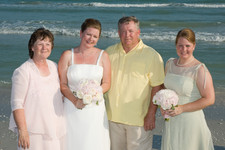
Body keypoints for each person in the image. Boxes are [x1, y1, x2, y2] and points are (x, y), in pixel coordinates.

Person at [104, 16, 165, 150]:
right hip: (112, 118)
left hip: (139, 120)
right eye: (123, 31)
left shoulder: (152, 55)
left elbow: (157, 86)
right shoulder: (108, 53)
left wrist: (151, 115)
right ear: (118, 33)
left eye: (131, 31)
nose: (127, 35)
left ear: (138, 32)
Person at [58, 18, 111, 150]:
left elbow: (107, 83)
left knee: (93, 142)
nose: (91, 39)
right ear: (81, 33)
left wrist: (94, 93)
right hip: (71, 108)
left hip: (95, 109)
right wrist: (75, 100)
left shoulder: (103, 56)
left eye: (95, 36)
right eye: (88, 34)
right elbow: (63, 84)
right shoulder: (67, 55)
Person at [9, 28, 66, 150]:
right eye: (40, 44)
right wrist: (23, 131)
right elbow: (16, 103)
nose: (44, 47)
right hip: (33, 132)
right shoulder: (23, 71)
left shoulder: (54, 66)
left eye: (48, 44)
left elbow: (60, 95)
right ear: (32, 47)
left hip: (54, 128)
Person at [161, 28, 215, 150]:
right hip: (171, 121)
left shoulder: (199, 69)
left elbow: (209, 99)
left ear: (194, 46)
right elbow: (165, 89)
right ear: (175, 45)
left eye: (187, 46)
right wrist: (162, 107)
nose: (183, 49)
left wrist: (182, 109)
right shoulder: (169, 64)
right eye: (180, 45)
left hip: (190, 122)